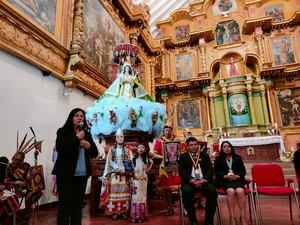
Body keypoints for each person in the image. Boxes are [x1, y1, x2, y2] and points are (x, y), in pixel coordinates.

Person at [52, 108, 98, 225]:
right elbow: (61, 148)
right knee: (65, 207)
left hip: (82, 175)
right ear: (71, 118)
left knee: (77, 207)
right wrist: (77, 138)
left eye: (81, 116)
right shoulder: (63, 131)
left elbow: (94, 152)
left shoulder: (86, 134)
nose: (79, 118)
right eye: (76, 115)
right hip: (66, 174)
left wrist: (88, 146)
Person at [179, 137, 217, 225]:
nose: (193, 147)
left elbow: (210, 170)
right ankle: (193, 220)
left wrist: (205, 179)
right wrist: (190, 180)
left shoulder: (205, 156)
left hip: (204, 181)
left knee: (212, 191)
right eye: (191, 145)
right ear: (187, 147)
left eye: (195, 144)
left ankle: (209, 220)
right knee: (186, 192)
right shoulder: (183, 157)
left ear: (198, 145)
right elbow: (182, 171)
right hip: (190, 182)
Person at [101, 128, 133, 220]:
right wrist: (116, 168)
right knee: (114, 193)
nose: (120, 138)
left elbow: (130, 160)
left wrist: (124, 169)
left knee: (124, 192)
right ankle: (114, 212)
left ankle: (124, 212)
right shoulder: (112, 149)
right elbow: (109, 160)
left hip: (124, 174)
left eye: (121, 137)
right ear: (115, 138)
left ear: (124, 138)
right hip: (114, 174)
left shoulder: (128, 149)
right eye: (118, 137)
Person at [214, 141, 247, 225]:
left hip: (237, 180)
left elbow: (243, 171)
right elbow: (217, 172)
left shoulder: (237, 158)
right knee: (231, 191)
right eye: (224, 147)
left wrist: (237, 176)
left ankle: (242, 216)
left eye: (228, 146)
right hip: (225, 181)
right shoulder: (218, 159)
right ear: (222, 149)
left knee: (240, 191)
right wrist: (225, 176)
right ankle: (232, 217)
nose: (227, 148)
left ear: (231, 148)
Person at [153, 123, 180, 216]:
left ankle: (182, 208)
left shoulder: (176, 141)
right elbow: (154, 154)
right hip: (164, 167)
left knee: (178, 188)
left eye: (169, 130)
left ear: (172, 131)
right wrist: (163, 157)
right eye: (166, 130)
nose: (168, 132)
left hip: (175, 167)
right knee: (166, 189)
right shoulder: (159, 141)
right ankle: (168, 208)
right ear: (163, 131)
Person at [131, 143, 153, 222]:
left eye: (142, 148)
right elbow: (131, 169)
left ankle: (142, 216)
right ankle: (135, 216)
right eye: (139, 147)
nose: (140, 149)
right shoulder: (133, 159)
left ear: (145, 150)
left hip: (143, 179)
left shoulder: (146, 159)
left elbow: (146, 171)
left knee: (142, 197)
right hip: (136, 179)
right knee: (135, 197)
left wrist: (151, 164)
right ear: (137, 149)